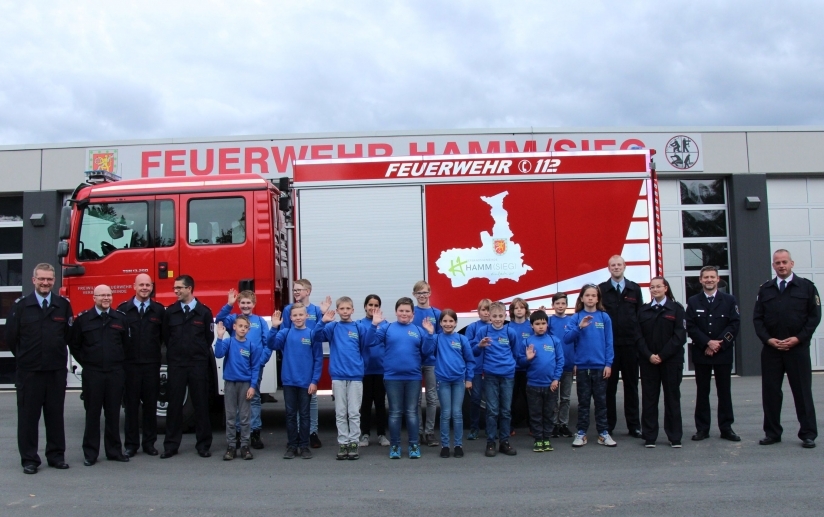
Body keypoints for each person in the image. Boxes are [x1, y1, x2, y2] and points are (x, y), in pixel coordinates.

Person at [6, 263, 74, 474]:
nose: (45, 283)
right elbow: (11, 337)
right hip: (30, 372)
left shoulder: (62, 305)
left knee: (55, 415)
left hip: (55, 371)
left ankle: (56, 456)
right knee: (28, 417)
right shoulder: (21, 305)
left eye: (49, 279)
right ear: (33, 280)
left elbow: (69, 336)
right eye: (41, 279)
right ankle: (29, 459)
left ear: (54, 281)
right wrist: (26, 358)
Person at [753, 249, 822, 448]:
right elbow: (758, 319)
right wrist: (768, 340)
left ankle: (808, 434)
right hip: (772, 349)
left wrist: (798, 339)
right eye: (777, 263)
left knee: (802, 392)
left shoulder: (806, 287)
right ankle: (772, 433)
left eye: (784, 262)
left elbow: (814, 317)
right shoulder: (765, 289)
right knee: (771, 393)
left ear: (792, 263)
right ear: (773, 266)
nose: (781, 265)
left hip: (797, 349)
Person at [70, 285, 130, 465]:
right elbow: (75, 345)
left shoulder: (120, 318)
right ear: (94, 297)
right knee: (92, 414)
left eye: (109, 295)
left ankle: (114, 451)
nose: (106, 298)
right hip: (93, 374)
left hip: (114, 373)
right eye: (102, 295)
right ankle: (90, 453)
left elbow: (126, 345)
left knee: (113, 414)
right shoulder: (83, 320)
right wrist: (88, 362)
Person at [368, 298, 435, 459]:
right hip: (392, 377)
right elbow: (370, 342)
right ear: (396, 311)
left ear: (412, 313)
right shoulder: (387, 327)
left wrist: (430, 334)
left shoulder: (418, 330)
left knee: (412, 413)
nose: (404, 313)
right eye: (401, 310)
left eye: (407, 311)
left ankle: (413, 445)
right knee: (395, 413)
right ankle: (395, 446)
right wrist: (374, 325)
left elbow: (427, 352)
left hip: (413, 378)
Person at [161, 275, 215, 459]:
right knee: (174, 405)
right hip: (177, 364)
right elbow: (167, 337)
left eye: (179, 288)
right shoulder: (171, 312)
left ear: (190, 288)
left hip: (198, 364)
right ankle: (171, 445)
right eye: (174, 288)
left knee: (200, 404)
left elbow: (209, 338)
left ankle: (203, 445)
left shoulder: (204, 312)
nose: (176, 291)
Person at [686, 266, 741, 442]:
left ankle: (726, 428)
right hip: (702, 353)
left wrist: (719, 344)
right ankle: (702, 429)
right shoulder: (693, 301)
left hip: (722, 353)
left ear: (718, 279)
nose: (709, 280)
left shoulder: (729, 300)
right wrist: (707, 342)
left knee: (724, 392)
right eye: (706, 277)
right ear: (700, 280)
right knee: (702, 392)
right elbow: (691, 326)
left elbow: (734, 324)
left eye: (712, 277)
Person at [315, 296, 370, 460]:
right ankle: (343, 443)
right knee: (340, 412)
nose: (345, 312)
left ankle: (354, 442)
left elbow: (365, 347)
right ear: (337, 311)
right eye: (342, 309)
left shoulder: (359, 328)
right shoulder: (332, 327)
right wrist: (322, 320)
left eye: (348, 309)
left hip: (355, 376)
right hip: (338, 376)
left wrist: (359, 367)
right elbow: (317, 336)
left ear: (353, 310)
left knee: (353, 412)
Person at [215, 289, 270, 450]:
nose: (246, 306)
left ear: (254, 304)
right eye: (243, 303)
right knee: (238, 401)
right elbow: (219, 320)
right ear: (239, 304)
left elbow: (268, 343)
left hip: (254, 367)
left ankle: (254, 431)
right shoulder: (234, 319)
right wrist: (229, 304)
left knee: (253, 398)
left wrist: (261, 361)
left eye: (249, 303)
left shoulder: (260, 322)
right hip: (236, 367)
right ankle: (238, 432)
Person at [279, 279, 331, 448]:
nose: (296, 292)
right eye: (294, 290)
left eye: (299, 290)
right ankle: (296, 438)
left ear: (308, 291)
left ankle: (311, 433)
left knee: (310, 403)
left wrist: (323, 315)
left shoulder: (316, 310)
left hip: (309, 362)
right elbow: (283, 335)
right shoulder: (288, 310)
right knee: (293, 409)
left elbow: (319, 334)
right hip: (294, 363)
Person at [117, 273, 165, 457]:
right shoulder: (123, 310)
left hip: (151, 365)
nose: (145, 288)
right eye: (141, 285)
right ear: (134, 286)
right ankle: (131, 445)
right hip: (130, 366)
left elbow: (163, 337)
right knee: (131, 406)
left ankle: (149, 443)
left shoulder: (159, 310)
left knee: (151, 405)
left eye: (148, 285)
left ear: (152, 287)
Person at [268, 303, 324, 459]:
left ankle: (304, 446)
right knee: (291, 415)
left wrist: (314, 381)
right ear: (290, 317)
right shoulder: (284, 333)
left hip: (306, 382)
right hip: (289, 381)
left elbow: (318, 359)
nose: (298, 318)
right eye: (295, 315)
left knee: (305, 415)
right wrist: (273, 328)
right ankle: (292, 445)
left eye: (301, 315)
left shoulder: (312, 334)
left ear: (307, 316)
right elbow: (271, 344)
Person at [564, 284, 616, 447]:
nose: (591, 298)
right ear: (582, 298)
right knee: (584, 402)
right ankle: (581, 433)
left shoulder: (604, 317)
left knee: (601, 402)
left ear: (598, 298)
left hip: (600, 366)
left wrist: (608, 363)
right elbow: (567, 338)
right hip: (582, 367)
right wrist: (580, 327)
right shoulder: (576, 317)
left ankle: (603, 433)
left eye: (594, 295)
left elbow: (609, 342)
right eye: (587, 295)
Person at [637, 277, 687, 448]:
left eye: (659, 286)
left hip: (671, 361)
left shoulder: (676, 309)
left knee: (672, 398)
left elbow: (680, 336)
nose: (655, 289)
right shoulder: (643, 311)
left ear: (666, 288)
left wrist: (663, 355)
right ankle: (650, 436)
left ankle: (674, 437)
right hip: (648, 361)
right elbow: (638, 336)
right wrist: (649, 355)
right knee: (649, 398)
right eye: (652, 287)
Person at [599, 255, 643, 438]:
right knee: (609, 388)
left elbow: (640, 316)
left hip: (631, 346)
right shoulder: (602, 289)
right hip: (609, 348)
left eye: (619, 265)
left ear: (625, 266)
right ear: (608, 268)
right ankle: (608, 426)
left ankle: (634, 426)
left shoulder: (634, 288)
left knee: (631, 387)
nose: (616, 267)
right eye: (613, 265)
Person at [471, 301, 519, 457]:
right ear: (489, 316)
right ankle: (490, 442)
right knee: (492, 410)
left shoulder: (510, 332)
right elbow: (474, 352)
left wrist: (510, 366)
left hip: (507, 376)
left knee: (505, 410)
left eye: (500, 316)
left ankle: (504, 442)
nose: (497, 319)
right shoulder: (483, 331)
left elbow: (516, 352)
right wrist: (480, 345)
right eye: (494, 316)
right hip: (490, 375)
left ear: (505, 315)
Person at [214, 316, 261, 461]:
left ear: (248, 329)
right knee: (231, 416)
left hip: (245, 384)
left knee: (245, 417)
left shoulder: (252, 346)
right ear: (234, 327)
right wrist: (220, 337)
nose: (242, 329)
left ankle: (245, 446)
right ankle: (231, 446)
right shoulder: (229, 342)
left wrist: (253, 386)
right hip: (230, 383)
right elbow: (218, 354)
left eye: (245, 327)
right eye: (240, 326)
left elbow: (255, 368)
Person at [517, 310, 564, 453]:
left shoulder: (554, 341)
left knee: (549, 413)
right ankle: (538, 439)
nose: (541, 326)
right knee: (535, 414)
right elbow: (520, 362)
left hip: (551, 385)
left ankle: (546, 438)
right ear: (531, 326)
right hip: (533, 385)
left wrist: (556, 379)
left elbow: (560, 361)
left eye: (543, 323)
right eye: (537, 324)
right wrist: (527, 359)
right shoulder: (527, 342)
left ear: (547, 324)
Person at [432, 309, 475, 458]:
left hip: (458, 381)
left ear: (456, 323)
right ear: (440, 323)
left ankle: (458, 445)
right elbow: (426, 351)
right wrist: (430, 334)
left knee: (457, 414)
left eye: (451, 321)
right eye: (445, 321)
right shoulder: (436, 339)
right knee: (445, 414)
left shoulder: (462, 340)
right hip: (443, 380)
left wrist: (469, 379)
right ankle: (445, 445)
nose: (448, 324)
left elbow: (470, 360)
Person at [358, 295, 390, 447]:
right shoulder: (359, 324)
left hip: (381, 370)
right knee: (365, 404)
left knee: (380, 404)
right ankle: (364, 434)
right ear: (365, 306)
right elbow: (362, 344)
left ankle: (381, 434)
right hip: (364, 370)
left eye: (376, 305)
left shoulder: (385, 325)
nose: (372, 307)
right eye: (370, 304)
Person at [412, 280, 441, 447]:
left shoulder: (436, 313)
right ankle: (418, 431)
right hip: (414, 362)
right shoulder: (412, 312)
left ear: (430, 293)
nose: (422, 296)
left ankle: (429, 433)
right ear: (414, 295)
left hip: (431, 362)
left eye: (425, 293)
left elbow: (438, 336)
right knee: (415, 400)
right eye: (419, 293)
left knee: (431, 397)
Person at [465, 298, 492, 441]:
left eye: (488, 310)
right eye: (483, 309)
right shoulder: (472, 327)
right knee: (475, 399)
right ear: (478, 311)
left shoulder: (495, 327)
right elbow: (467, 345)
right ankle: (474, 428)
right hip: (476, 369)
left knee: (490, 400)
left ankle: (490, 428)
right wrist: (478, 340)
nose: (486, 313)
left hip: (491, 370)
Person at [549, 292, 575, 438]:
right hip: (553, 367)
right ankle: (553, 424)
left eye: (563, 303)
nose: (560, 306)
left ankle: (563, 424)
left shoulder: (571, 321)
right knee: (553, 398)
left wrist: (576, 362)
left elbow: (576, 342)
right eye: (557, 303)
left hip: (568, 364)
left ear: (566, 305)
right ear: (553, 305)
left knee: (565, 397)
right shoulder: (549, 321)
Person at [508, 298, 532, 431]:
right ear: (512, 311)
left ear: (526, 310)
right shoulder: (508, 327)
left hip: (528, 368)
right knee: (511, 398)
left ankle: (532, 426)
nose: (519, 310)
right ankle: (510, 427)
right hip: (512, 369)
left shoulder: (531, 326)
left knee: (529, 398)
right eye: (516, 308)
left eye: (521, 308)